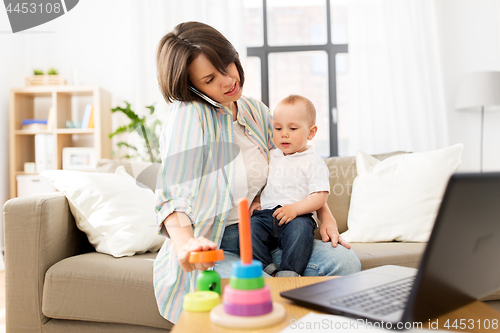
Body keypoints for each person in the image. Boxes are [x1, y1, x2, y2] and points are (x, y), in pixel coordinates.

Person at [154, 21, 360, 324]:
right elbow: (173, 192)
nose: (228, 81)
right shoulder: (189, 115)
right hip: (216, 247)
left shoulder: (254, 110)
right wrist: (187, 244)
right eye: (211, 79)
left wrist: (325, 214)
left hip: (263, 235)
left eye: (227, 65)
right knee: (256, 292)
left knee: (344, 262)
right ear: (192, 86)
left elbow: (293, 163)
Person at [250, 95, 329, 277]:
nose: (284, 133)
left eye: (292, 128)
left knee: (301, 232)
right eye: (278, 128)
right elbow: (263, 183)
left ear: (311, 132)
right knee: (248, 230)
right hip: (267, 214)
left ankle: (289, 273)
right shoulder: (272, 156)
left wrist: (294, 209)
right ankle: (269, 269)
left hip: (298, 216)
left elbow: (319, 196)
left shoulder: (313, 162)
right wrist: (256, 200)